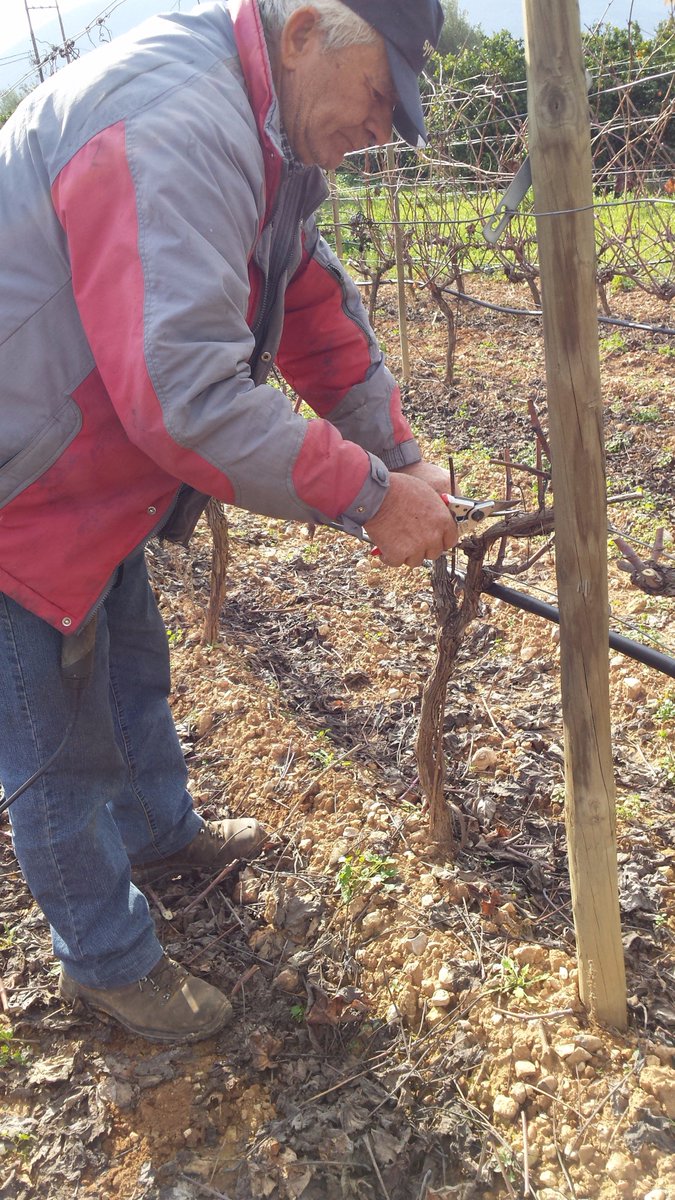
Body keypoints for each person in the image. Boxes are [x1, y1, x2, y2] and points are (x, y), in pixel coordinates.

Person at [0, 0, 458, 1044]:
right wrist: (372, 501)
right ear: (303, 33)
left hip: (81, 469)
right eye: (378, 94)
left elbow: (304, 304)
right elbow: (186, 394)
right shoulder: (173, 121)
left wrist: (399, 452)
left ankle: (162, 835)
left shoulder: (269, 135)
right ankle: (105, 960)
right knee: (53, 743)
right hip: (18, 488)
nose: (382, 128)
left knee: (130, 669)